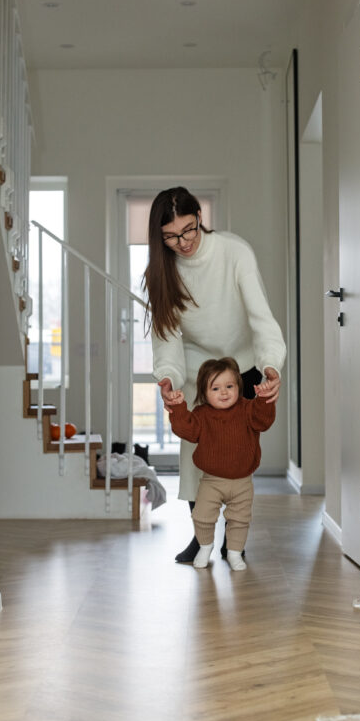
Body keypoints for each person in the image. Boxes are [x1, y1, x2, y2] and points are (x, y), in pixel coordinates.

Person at [142, 186, 286, 562]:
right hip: (195, 370)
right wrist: (169, 380)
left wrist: (271, 364)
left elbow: (261, 318)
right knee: (194, 456)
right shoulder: (163, 272)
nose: (183, 242)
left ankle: (233, 538)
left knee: (235, 453)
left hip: (244, 364)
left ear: (200, 218)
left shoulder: (234, 252)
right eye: (171, 236)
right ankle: (201, 536)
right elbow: (168, 342)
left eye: (188, 229)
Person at [166, 358, 276, 569]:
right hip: (211, 481)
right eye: (215, 388)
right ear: (204, 393)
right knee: (201, 516)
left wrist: (263, 399)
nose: (224, 392)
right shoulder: (202, 414)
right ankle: (205, 547)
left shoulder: (248, 409)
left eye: (229, 386)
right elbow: (185, 429)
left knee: (239, 520)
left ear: (239, 387)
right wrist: (178, 406)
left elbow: (264, 421)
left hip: (242, 482)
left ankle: (234, 553)